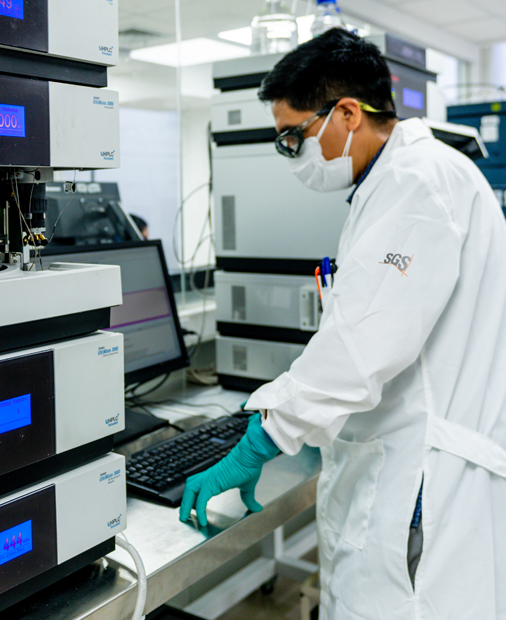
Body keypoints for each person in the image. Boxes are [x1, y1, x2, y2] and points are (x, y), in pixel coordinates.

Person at [180, 29, 506, 620]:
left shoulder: (416, 183)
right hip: (408, 462)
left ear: (348, 114)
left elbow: (360, 349)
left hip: (420, 481)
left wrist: (261, 440)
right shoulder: (396, 185)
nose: (290, 154)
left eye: (293, 136)